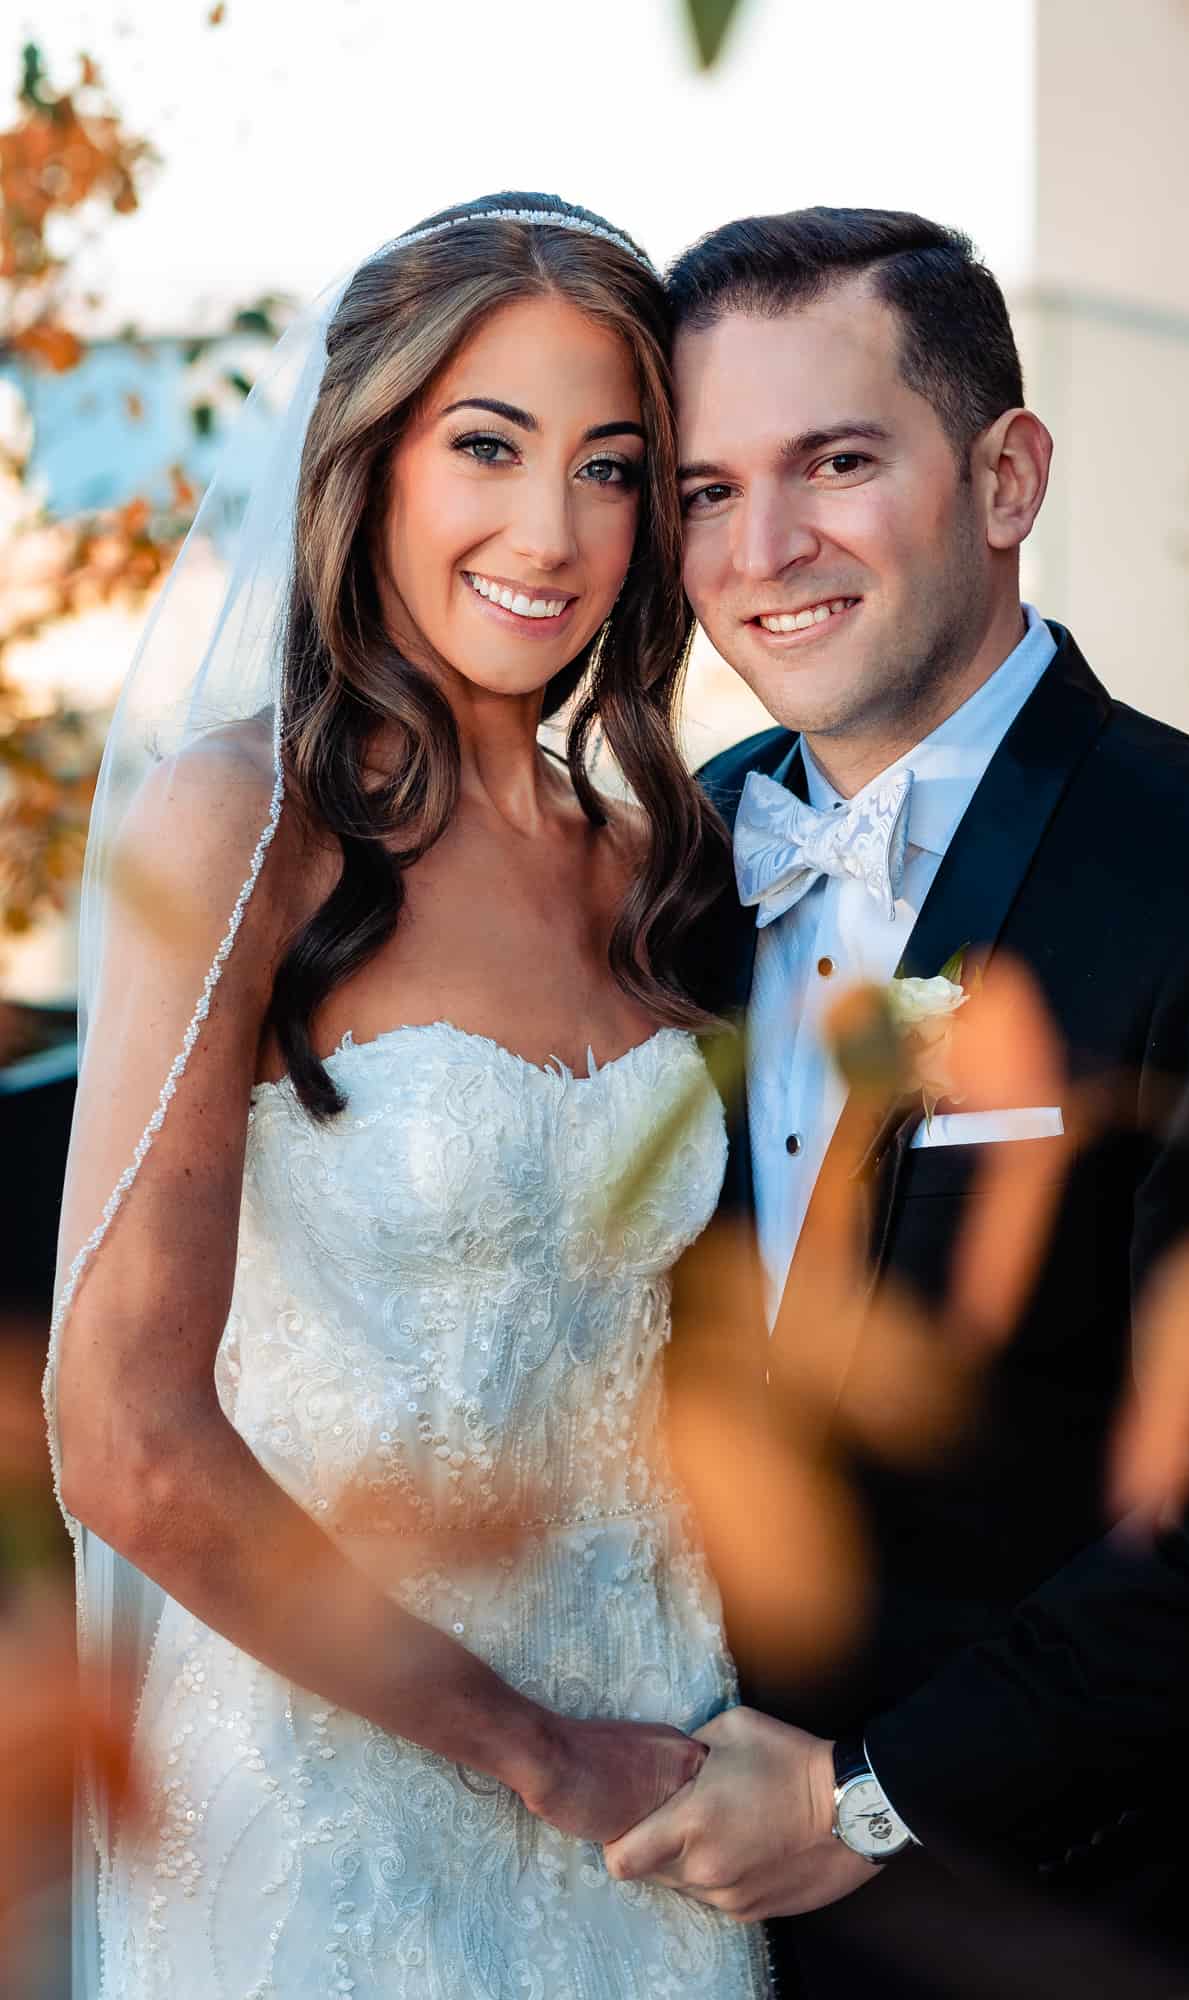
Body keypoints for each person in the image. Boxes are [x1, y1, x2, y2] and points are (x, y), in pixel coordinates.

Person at [45, 193, 773, 2000]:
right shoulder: (249, 825)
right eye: (487, 447)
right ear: (364, 460)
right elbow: (123, 1443)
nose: (552, 532)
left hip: (656, 1756)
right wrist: (532, 1749)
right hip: (340, 1771)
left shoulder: (656, 864)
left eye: (612, 468)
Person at [602, 207, 1189, 1999]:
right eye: (704, 491)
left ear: (1006, 476)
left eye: (836, 463)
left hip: (1099, 1921)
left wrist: (870, 1802)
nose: (766, 550)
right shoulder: (663, 872)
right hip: (679, 1920)